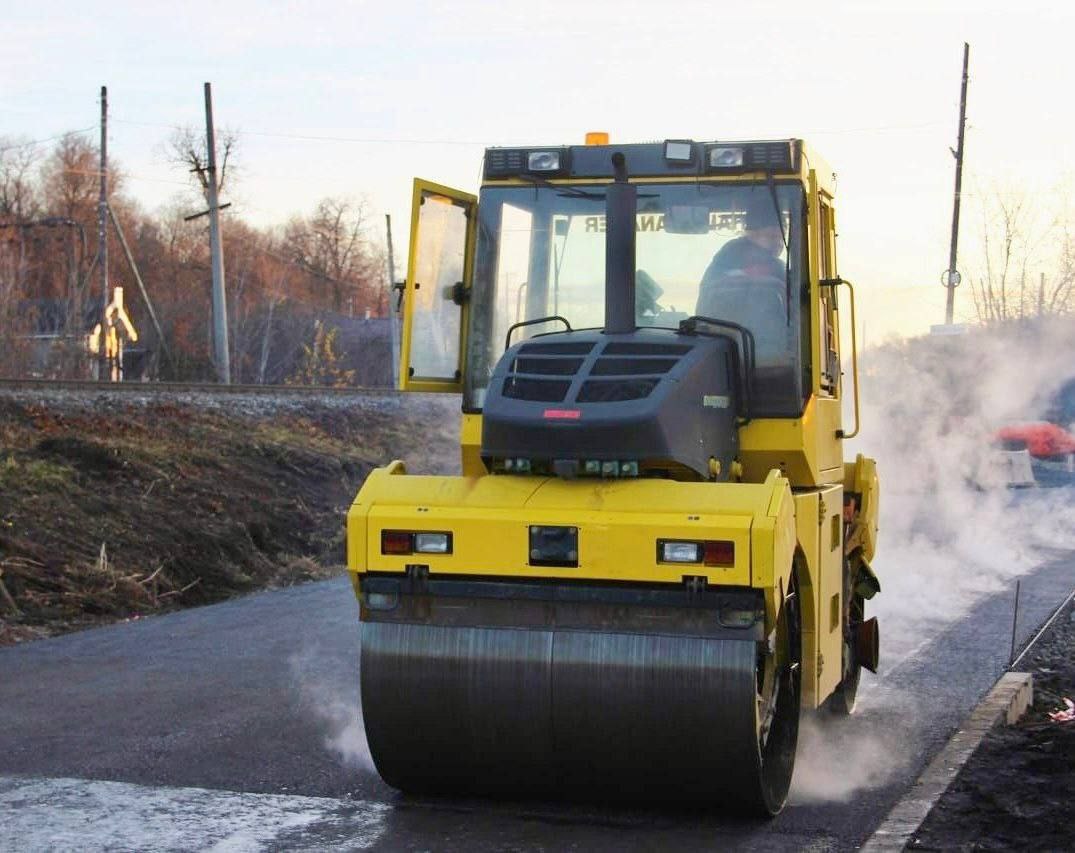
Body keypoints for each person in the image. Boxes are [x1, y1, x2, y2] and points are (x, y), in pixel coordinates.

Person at [696, 200, 786, 315]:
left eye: (781, 237)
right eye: (772, 236)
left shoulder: (722, 260)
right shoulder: (730, 261)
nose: (779, 243)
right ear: (752, 234)